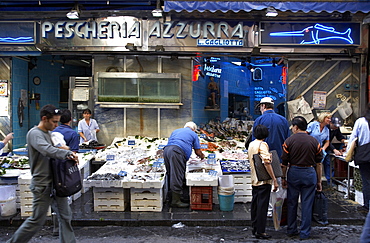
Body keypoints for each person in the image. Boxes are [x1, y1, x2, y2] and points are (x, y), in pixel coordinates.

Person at [6, 104, 79, 243]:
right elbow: (47, 150)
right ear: (44, 119)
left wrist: (63, 149)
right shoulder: (35, 134)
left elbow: (54, 149)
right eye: (54, 122)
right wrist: (67, 153)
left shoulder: (49, 133)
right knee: (36, 220)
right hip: (42, 184)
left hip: (57, 182)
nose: (56, 125)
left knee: (65, 216)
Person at [281, 116, 323, 240]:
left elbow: (284, 163)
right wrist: (319, 180)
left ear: (296, 127)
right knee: (307, 203)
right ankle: (305, 232)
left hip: (294, 172)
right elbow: (319, 163)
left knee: (292, 202)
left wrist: (283, 177)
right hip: (310, 173)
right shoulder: (314, 142)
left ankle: (291, 229)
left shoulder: (288, 141)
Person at [164, 121, 205, 208]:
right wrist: (202, 156)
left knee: (171, 174)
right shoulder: (193, 134)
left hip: (167, 151)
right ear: (194, 129)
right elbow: (197, 151)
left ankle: (172, 196)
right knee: (177, 175)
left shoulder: (176, 131)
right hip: (177, 152)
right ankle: (176, 201)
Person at [248, 124, 279, 239]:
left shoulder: (252, 144)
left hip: (254, 179)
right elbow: (266, 162)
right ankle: (260, 231)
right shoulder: (263, 144)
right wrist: (274, 179)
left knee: (255, 204)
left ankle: (255, 228)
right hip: (263, 180)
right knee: (262, 206)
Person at [347, 102, 370, 211]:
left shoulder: (361, 121)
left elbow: (353, 138)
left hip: (364, 154)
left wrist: (348, 153)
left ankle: (366, 205)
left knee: (366, 180)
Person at [252, 97, 289, 161]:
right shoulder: (283, 120)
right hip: (280, 157)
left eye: (260, 107)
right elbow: (287, 140)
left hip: (263, 158)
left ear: (263, 106)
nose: (260, 109)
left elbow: (254, 142)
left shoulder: (259, 120)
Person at [323, 117, 346, 182]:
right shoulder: (326, 128)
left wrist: (344, 141)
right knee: (325, 163)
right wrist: (334, 150)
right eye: (335, 125)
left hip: (329, 147)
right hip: (323, 146)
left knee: (329, 164)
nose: (336, 127)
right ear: (330, 123)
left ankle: (330, 181)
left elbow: (339, 136)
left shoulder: (336, 129)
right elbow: (326, 141)